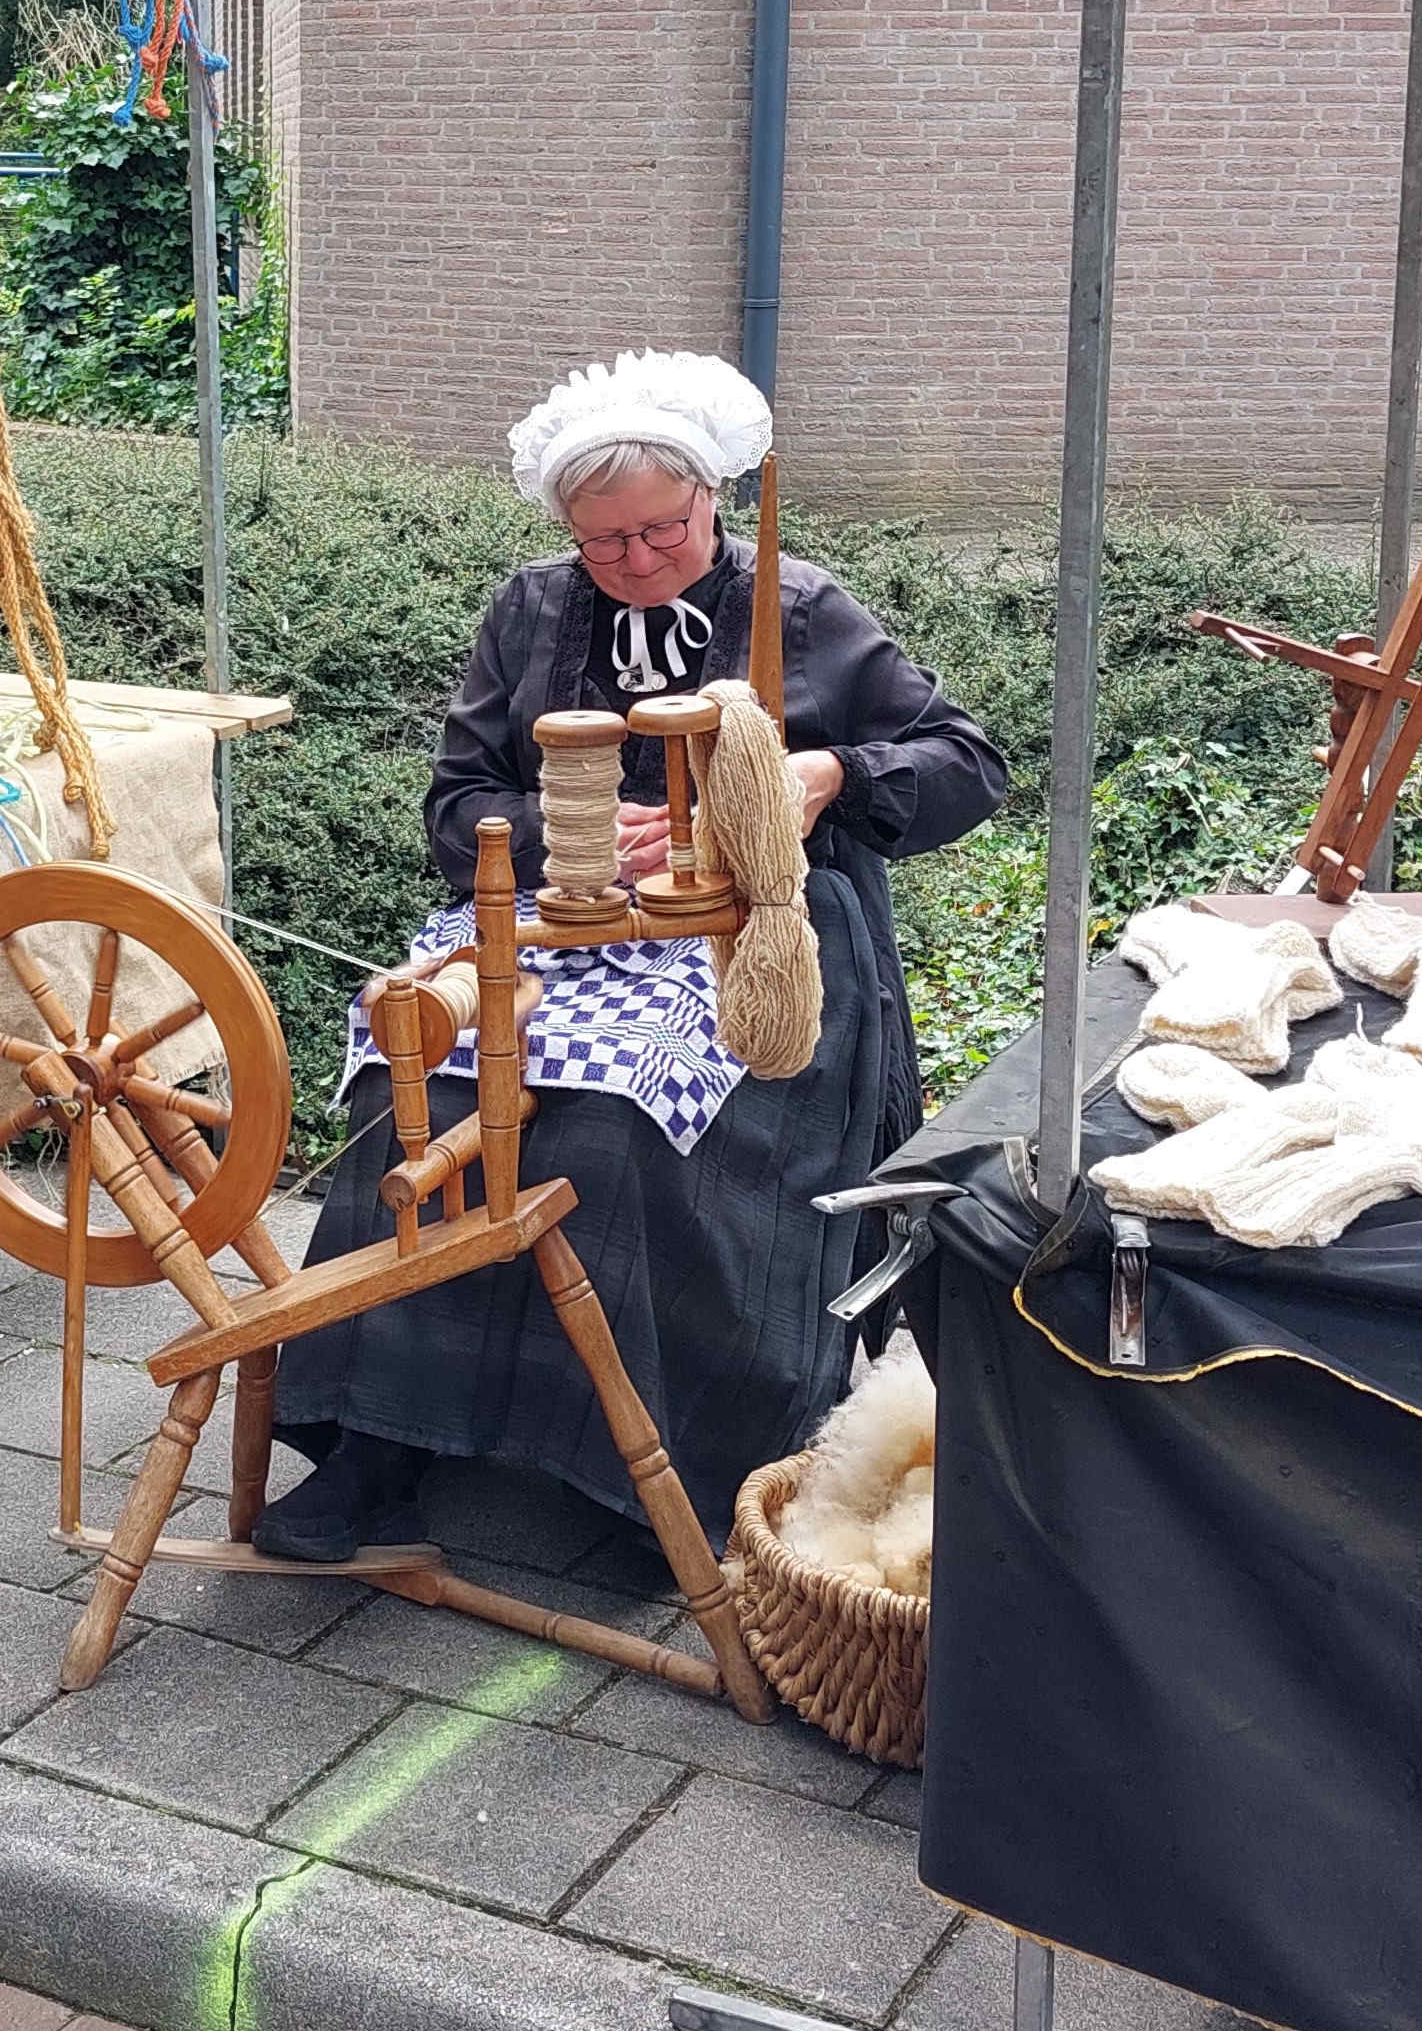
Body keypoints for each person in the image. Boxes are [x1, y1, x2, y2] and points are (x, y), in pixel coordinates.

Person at [259, 351, 1006, 1564]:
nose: (641, 559)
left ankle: (655, 1467)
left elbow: (967, 762)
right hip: (560, 922)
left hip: (760, 944)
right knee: (425, 1093)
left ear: (712, 498)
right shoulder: (528, 611)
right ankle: (379, 1440)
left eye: (664, 529)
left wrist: (826, 775)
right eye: (605, 541)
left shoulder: (795, 608)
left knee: (617, 1131)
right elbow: (456, 806)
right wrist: (572, 832)